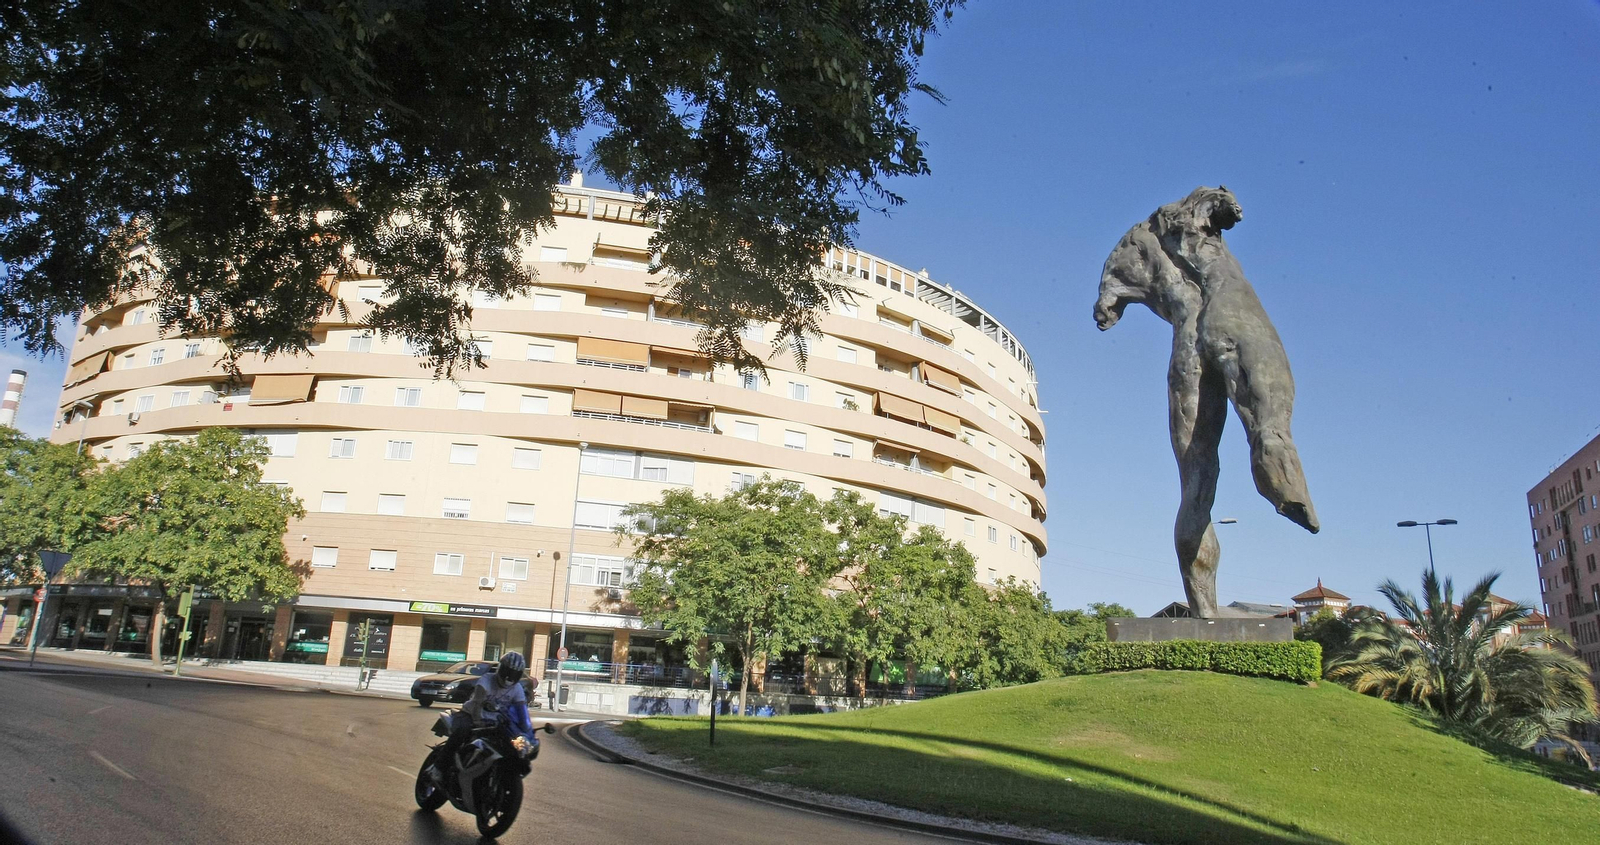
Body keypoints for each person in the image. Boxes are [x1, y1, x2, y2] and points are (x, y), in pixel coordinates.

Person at [429, 652, 539, 782]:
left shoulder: (517, 689)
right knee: (462, 731)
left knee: (509, 744)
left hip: (496, 723)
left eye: (514, 673)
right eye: (508, 671)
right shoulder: (487, 679)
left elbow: (522, 711)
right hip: (470, 715)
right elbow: (478, 701)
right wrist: (477, 720)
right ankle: (438, 768)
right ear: (501, 668)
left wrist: (527, 731)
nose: (510, 677)